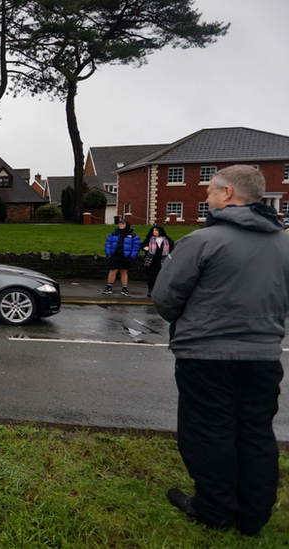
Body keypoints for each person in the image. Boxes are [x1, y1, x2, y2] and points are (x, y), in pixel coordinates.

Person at [153, 165, 289, 535]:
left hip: (205, 356)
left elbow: (165, 298)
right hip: (263, 356)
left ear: (227, 194)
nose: (207, 198)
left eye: (211, 191)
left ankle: (214, 509)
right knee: (256, 431)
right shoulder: (283, 243)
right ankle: (253, 517)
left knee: (208, 430)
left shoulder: (202, 241)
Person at [103, 219, 140, 296]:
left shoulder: (133, 235)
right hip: (115, 255)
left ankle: (124, 288)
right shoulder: (113, 234)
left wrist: (132, 256)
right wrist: (109, 253)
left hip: (125, 256)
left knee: (124, 271)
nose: (120, 225)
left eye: (122, 224)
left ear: (127, 225)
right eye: (120, 224)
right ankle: (109, 287)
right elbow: (108, 243)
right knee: (113, 271)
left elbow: (136, 246)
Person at [140, 225, 174, 297]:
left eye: (156, 230)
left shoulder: (168, 240)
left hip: (163, 261)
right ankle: (151, 290)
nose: (154, 232)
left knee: (162, 277)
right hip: (151, 261)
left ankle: (161, 291)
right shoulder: (150, 239)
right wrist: (144, 247)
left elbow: (172, 249)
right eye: (153, 230)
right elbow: (143, 245)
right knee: (151, 277)